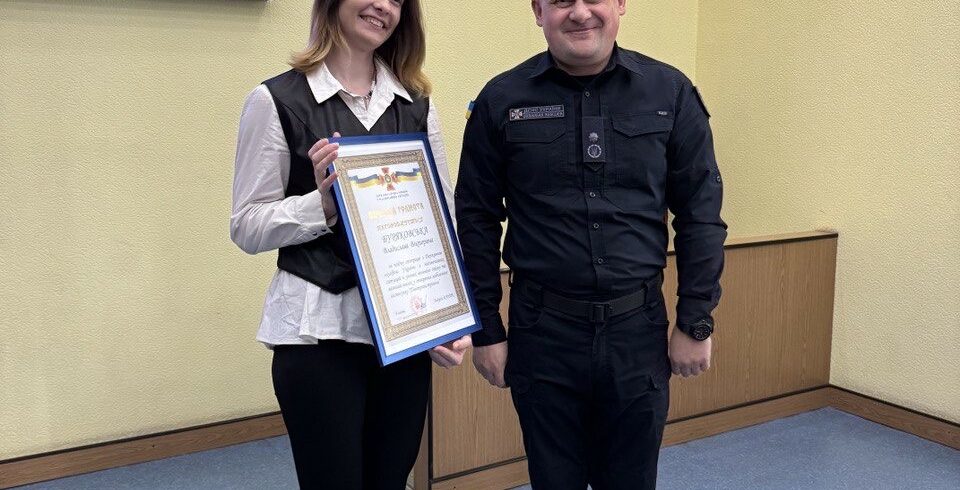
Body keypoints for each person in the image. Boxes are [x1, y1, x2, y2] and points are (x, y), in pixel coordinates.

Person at [455, 0, 727, 488]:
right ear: (538, 10)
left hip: (637, 331)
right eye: (561, 1)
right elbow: (476, 219)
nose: (579, 13)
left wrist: (696, 319)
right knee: (553, 479)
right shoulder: (501, 99)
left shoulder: (670, 92)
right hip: (542, 332)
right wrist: (486, 330)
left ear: (620, 4)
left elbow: (700, 215)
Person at [230, 1, 469, 488]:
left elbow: (440, 220)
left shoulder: (417, 104)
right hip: (319, 332)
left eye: (398, 0)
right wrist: (322, 205)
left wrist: (449, 319)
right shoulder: (275, 100)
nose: (384, 6)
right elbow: (247, 225)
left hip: (403, 333)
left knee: (390, 479)